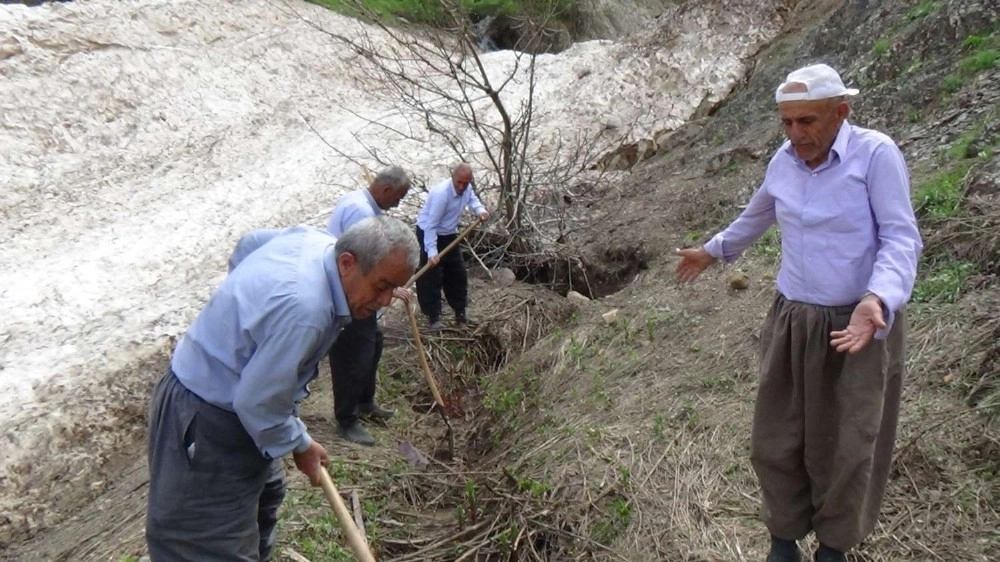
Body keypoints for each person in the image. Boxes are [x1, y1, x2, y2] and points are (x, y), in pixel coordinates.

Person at [675, 63, 922, 562]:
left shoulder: (875, 155)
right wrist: (713, 251)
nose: (796, 134)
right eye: (787, 123)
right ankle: (783, 540)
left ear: (841, 112)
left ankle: (833, 547)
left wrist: (877, 299)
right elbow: (759, 214)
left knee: (850, 441)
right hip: (792, 319)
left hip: (858, 325)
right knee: (777, 434)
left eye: (807, 121)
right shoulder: (784, 161)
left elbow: (901, 237)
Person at [146, 216, 419, 561]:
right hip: (204, 414)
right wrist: (300, 442)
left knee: (265, 497)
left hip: (241, 409)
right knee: (204, 542)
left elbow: (249, 243)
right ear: (348, 263)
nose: (385, 302)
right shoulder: (306, 311)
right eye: (381, 286)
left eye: (393, 289)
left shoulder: (315, 243)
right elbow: (257, 402)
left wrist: (247, 317)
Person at [326, 166, 412, 446]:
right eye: (397, 198)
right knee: (354, 355)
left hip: (363, 290)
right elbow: (361, 262)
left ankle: (365, 402)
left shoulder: (363, 205)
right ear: (386, 190)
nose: (396, 205)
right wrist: (386, 286)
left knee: (373, 343)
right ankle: (346, 419)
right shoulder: (360, 212)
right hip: (353, 295)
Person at [414, 162, 490, 330]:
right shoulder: (441, 194)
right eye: (459, 183)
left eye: (466, 183)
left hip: (449, 234)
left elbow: (472, 200)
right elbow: (431, 226)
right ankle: (434, 317)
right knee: (431, 275)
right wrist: (432, 251)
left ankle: (460, 313)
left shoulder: (467, 188)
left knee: (458, 273)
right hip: (429, 232)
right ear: (453, 178)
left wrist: (480, 210)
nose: (462, 187)